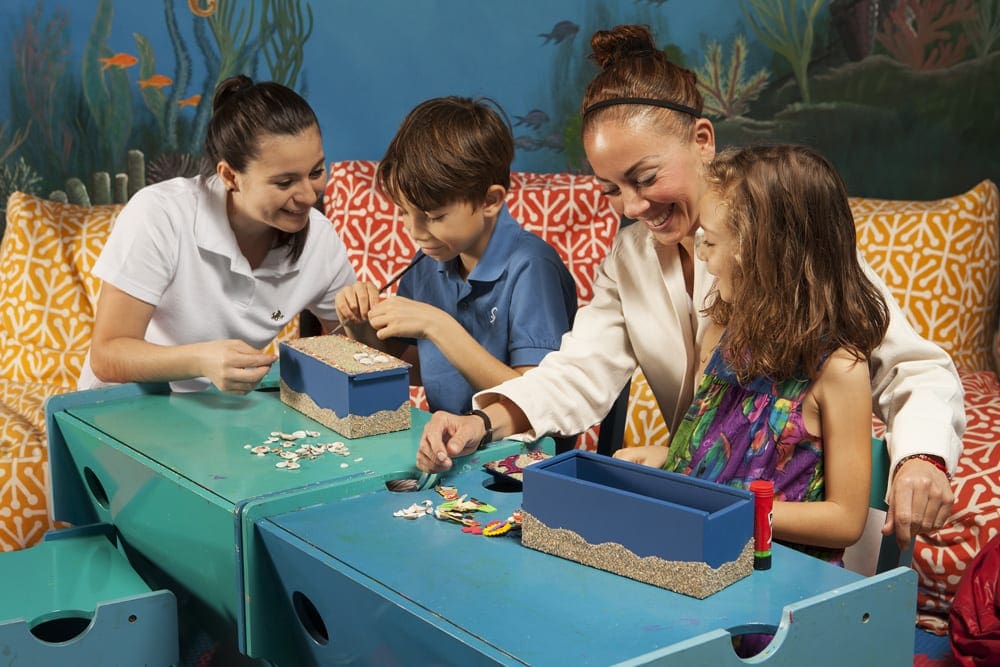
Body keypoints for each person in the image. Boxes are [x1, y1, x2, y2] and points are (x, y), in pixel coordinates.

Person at [417, 24, 964, 549]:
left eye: (646, 177)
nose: (632, 208)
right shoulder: (629, 256)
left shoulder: (784, 240)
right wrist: (482, 421)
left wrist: (922, 456)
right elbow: (579, 371)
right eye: (610, 189)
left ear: (702, 140)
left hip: (779, 533)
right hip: (703, 511)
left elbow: (910, 365)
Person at [616, 144, 888, 562]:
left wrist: (740, 513)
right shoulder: (724, 333)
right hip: (697, 556)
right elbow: (717, 452)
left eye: (713, 242)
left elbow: (845, 521)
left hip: (772, 582)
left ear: (766, 254)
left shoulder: (839, 370)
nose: (703, 259)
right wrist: (666, 462)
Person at [79, 75, 356, 394]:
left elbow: (364, 345)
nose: (309, 195)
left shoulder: (319, 238)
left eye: (317, 172)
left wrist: (374, 316)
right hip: (114, 413)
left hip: (219, 419)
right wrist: (201, 360)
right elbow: (108, 355)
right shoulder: (161, 214)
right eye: (284, 183)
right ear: (230, 176)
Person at [334, 96, 577, 415]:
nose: (415, 231)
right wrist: (360, 327)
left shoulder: (532, 268)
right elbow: (423, 370)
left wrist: (437, 325)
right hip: (449, 444)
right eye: (404, 213)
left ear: (490, 200)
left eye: (434, 217)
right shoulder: (431, 259)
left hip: (521, 456)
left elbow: (538, 404)